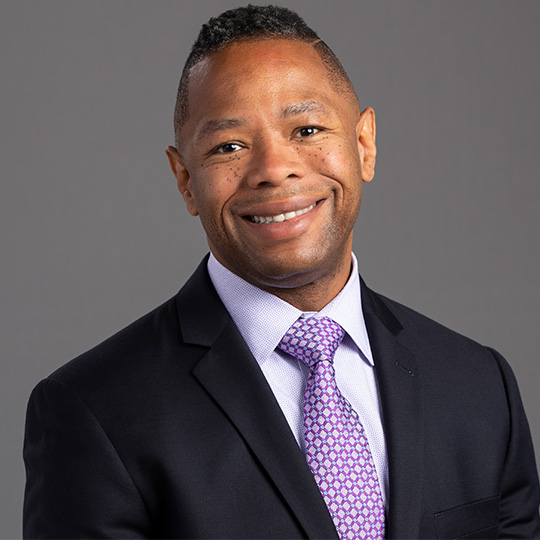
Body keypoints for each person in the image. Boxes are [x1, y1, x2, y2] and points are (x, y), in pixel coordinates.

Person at [23, 5, 540, 539]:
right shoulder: (93, 412)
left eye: (308, 128)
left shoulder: (480, 386)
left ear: (363, 144)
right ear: (184, 180)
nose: (273, 168)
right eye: (229, 146)